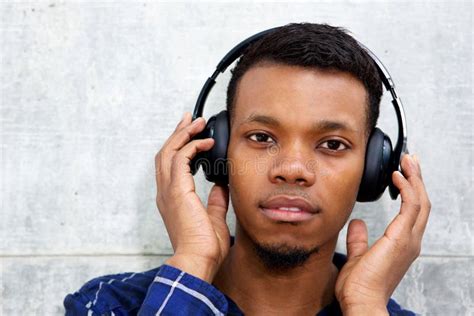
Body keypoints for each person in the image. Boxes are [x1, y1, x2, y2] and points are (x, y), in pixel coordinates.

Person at [64, 23, 431, 315]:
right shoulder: (108, 306)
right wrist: (193, 262)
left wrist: (365, 305)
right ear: (216, 150)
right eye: (261, 137)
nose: (292, 170)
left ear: (375, 169)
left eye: (332, 144)